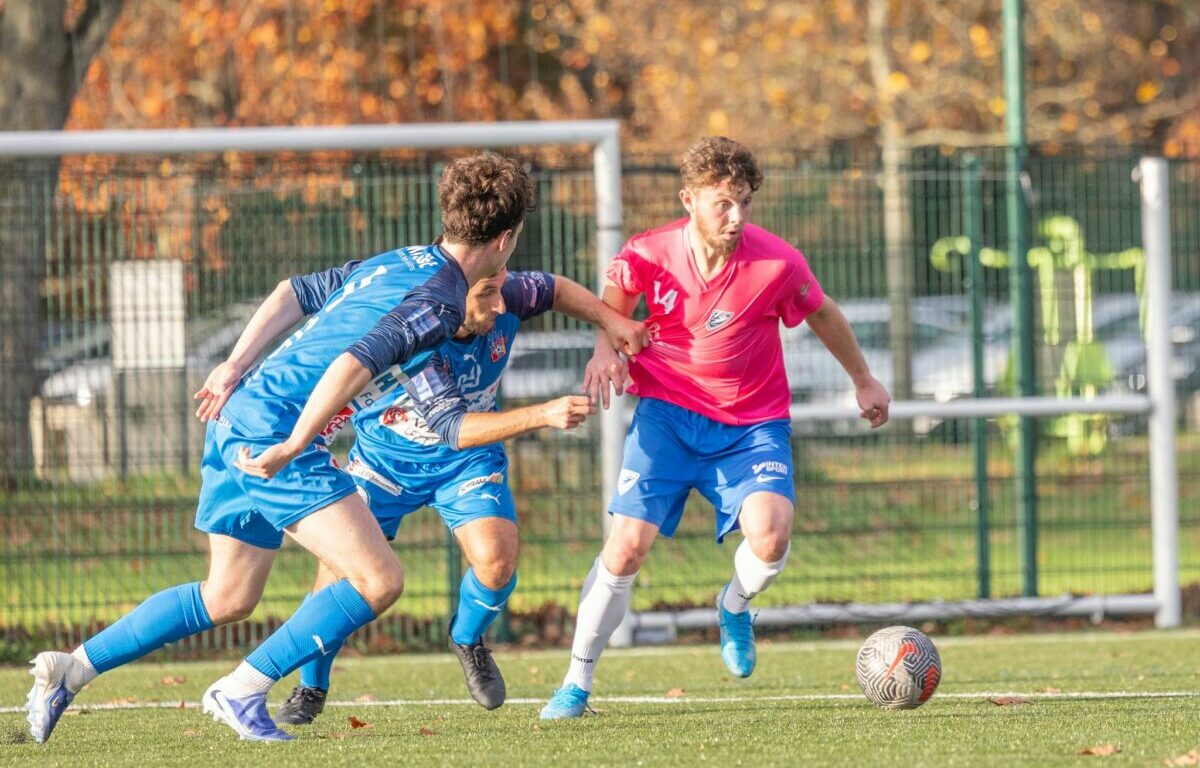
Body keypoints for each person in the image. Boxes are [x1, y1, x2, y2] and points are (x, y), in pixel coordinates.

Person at [26, 153, 537, 744]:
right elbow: (354, 362)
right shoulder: (442, 299)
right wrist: (295, 442)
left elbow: (290, 292)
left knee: (228, 595)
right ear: (505, 238)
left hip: (236, 414)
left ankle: (73, 668)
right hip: (273, 433)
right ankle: (241, 689)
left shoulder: (395, 261)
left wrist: (232, 366)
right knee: (379, 580)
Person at [539, 137, 891, 719]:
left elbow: (824, 313)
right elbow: (611, 306)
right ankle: (576, 683)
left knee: (773, 535)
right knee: (625, 550)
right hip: (667, 419)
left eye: (745, 203)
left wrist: (864, 380)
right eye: (723, 203)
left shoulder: (777, 262)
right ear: (689, 200)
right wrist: (606, 349)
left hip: (752, 424)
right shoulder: (647, 253)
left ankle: (733, 606)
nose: (736, 217)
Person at [267, 268, 646, 725]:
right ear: (449, 297)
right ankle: (311, 686)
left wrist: (613, 322)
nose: (502, 306)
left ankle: (467, 639)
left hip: (465, 462)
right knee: (338, 575)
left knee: (497, 559)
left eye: (499, 291)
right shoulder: (415, 335)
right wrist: (544, 413)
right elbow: (455, 428)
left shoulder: (504, 291)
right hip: (385, 462)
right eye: (487, 295)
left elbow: (558, 290)